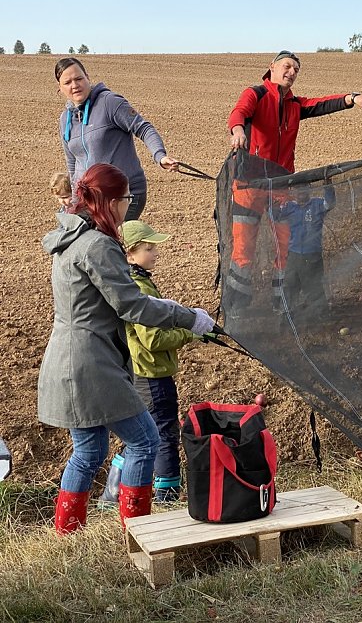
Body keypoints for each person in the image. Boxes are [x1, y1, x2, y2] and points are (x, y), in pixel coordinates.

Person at [38, 163, 215, 535]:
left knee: (88, 452)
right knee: (145, 440)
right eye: (126, 200)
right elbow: (132, 305)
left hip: (66, 360)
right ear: (111, 201)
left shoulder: (68, 239)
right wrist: (188, 317)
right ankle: (139, 533)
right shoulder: (97, 245)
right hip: (91, 363)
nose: (128, 207)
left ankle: (67, 535)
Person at [224, 50, 362, 313]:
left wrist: (352, 98)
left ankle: (281, 304)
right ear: (272, 67)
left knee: (286, 246)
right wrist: (238, 130)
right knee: (243, 248)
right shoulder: (256, 94)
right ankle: (237, 308)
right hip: (249, 184)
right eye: (287, 66)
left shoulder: (296, 105)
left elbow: (323, 103)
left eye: (296, 69)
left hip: (282, 185)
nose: (292, 72)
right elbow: (239, 112)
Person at [97, 220, 199, 507]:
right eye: (148, 248)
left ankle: (112, 494)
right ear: (129, 255)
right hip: (152, 373)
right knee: (164, 433)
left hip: (138, 373)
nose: (155, 253)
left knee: (142, 432)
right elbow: (153, 339)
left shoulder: (132, 281)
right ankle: (168, 499)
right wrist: (190, 332)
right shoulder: (139, 287)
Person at [54, 57, 179, 221]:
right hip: (92, 199)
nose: (75, 85)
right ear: (60, 88)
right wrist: (75, 203)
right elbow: (72, 163)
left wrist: (160, 156)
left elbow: (143, 128)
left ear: (87, 77)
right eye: (68, 82)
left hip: (124, 195)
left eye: (79, 78)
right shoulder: (65, 120)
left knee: (107, 243)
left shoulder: (109, 103)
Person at [274, 184, 336, 319]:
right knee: (290, 284)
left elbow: (330, 204)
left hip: (312, 255)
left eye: (304, 188)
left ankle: (321, 315)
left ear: (309, 190)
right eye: (298, 189)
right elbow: (276, 215)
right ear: (294, 192)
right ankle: (287, 314)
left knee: (314, 286)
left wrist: (328, 185)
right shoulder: (290, 206)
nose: (301, 192)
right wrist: (273, 202)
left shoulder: (317, 204)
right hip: (294, 254)